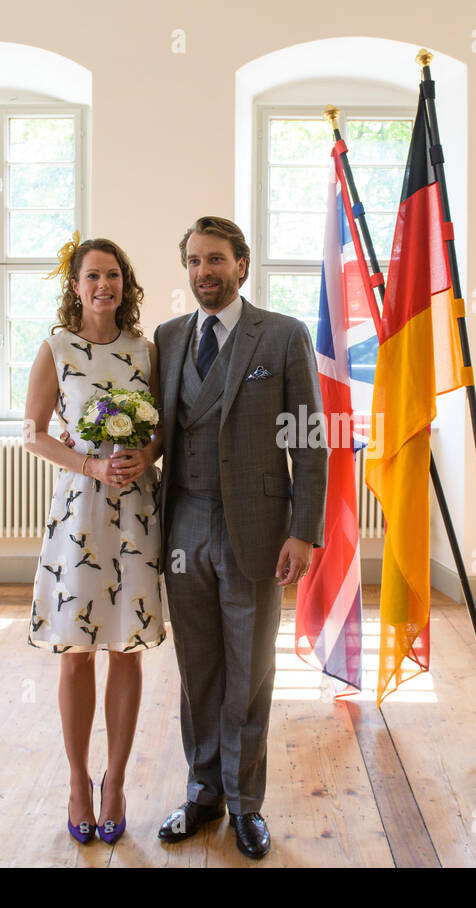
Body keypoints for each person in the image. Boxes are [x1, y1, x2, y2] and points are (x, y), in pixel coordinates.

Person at [151, 216, 328, 859]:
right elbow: (156, 433)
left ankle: (246, 804)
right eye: (195, 261)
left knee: (249, 672)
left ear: (242, 264)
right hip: (183, 525)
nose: (205, 272)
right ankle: (202, 793)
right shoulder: (168, 338)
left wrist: (304, 532)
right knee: (198, 671)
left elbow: (308, 438)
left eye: (217, 260)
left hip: (255, 528)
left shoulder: (282, 335)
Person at [22, 234, 165, 847]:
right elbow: (31, 434)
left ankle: (117, 783)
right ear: (75, 286)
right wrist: (91, 467)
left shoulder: (145, 350)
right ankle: (79, 780)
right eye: (92, 276)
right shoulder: (55, 349)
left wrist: (142, 452)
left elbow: (164, 430)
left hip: (134, 511)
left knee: (126, 648)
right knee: (76, 651)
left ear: (125, 285)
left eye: (113, 276)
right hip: (80, 511)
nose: (103, 285)